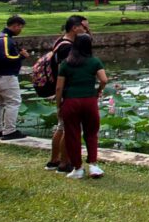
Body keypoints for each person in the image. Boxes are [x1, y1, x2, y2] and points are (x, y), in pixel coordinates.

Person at [55, 33, 107, 179]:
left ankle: (78, 168)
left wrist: (59, 105)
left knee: (72, 135)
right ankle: (93, 165)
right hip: (89, 101)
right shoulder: (94, 61)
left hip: (71, 101)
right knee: (91, 133)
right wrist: (98, 91)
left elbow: (59, 88)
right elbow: (104, 79)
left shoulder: (66, 63)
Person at [45, 14, 89, 172]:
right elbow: (67, 72)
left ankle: (54, 160)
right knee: (68, 128)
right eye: (84, 27)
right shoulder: (68, 47)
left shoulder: (60, 42)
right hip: (68, 92)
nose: (86, 30)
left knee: (61, 126)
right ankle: (65, 163)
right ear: (74, 28)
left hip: (63, 90)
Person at [0, 15, 30, 140]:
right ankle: (9, 130)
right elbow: (6, 57)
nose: (21, 30)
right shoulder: (4, 39)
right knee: (13, 102)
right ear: (15, 26)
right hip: (6, 76)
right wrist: (21, 56)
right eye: (20, 27)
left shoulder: (0, 37)